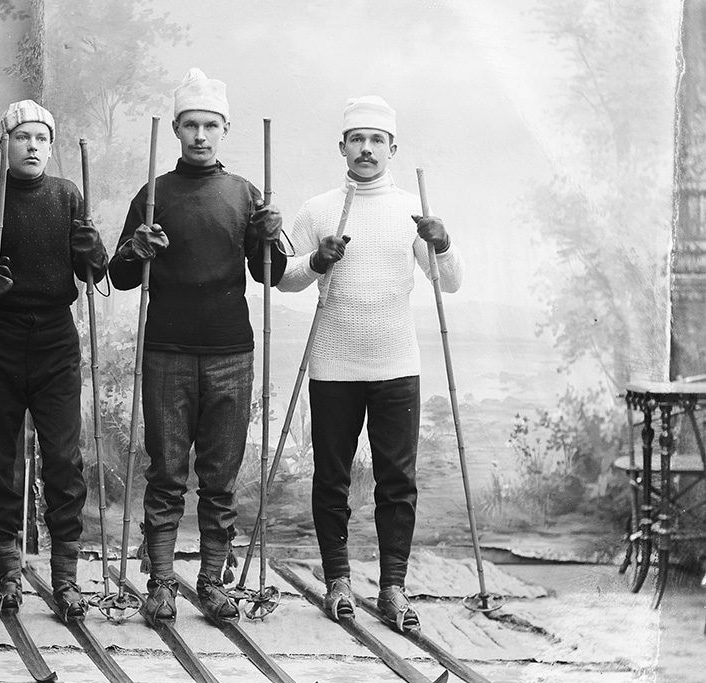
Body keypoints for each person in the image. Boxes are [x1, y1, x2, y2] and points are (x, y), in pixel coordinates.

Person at [277, 95, 463, 630]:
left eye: (376, 140)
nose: (366, 148)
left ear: (392, 148)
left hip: (396, 365)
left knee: (396, 483)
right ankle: (337, 582)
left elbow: (448, 281)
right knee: (331, 479)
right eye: (356, 139)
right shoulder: (318, 208)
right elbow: (283, 278)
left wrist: (443, 242)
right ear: (342, 147)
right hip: (333, 364)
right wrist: (316, 260)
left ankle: (393, 589)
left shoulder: (412, 210)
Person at [108, 69, 286, 625]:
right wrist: (137, 247)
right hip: (167, 351)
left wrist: (269, 235)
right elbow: (119, 277)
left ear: (225, 129)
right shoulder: (154, 194)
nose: (200, 136)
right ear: (177, 131)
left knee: (220, 475)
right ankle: (161, 581)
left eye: (210, 125)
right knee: (166, 471)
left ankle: (211, 581)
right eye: (190, 126)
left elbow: (271, 274)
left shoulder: (244, 194)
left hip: (232, 350)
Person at [0, 99, 107, 619]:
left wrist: (93, 251)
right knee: (0, 458)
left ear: (51, 145)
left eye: (41, 138)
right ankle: (8, 573)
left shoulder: (67, 196)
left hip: (55, 340)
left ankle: (66, 578)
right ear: (4, 145)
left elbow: (95, 273)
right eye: (22, 137)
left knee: (64, 458)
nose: (33, 146)